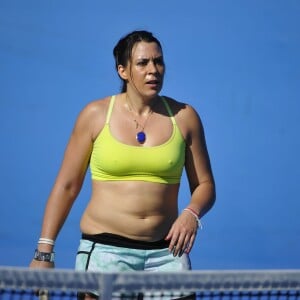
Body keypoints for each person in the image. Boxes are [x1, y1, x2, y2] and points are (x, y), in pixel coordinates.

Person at [30, 30, 216, 300]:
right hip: (105, 252)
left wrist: (192, 213)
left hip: (167, 255)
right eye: (143, 63)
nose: (153, 70)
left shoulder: (185, 118)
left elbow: (205, 185)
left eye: (158, 61)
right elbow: (67, 186)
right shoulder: (94, 116)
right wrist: (44, 252)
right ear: (123, 70)